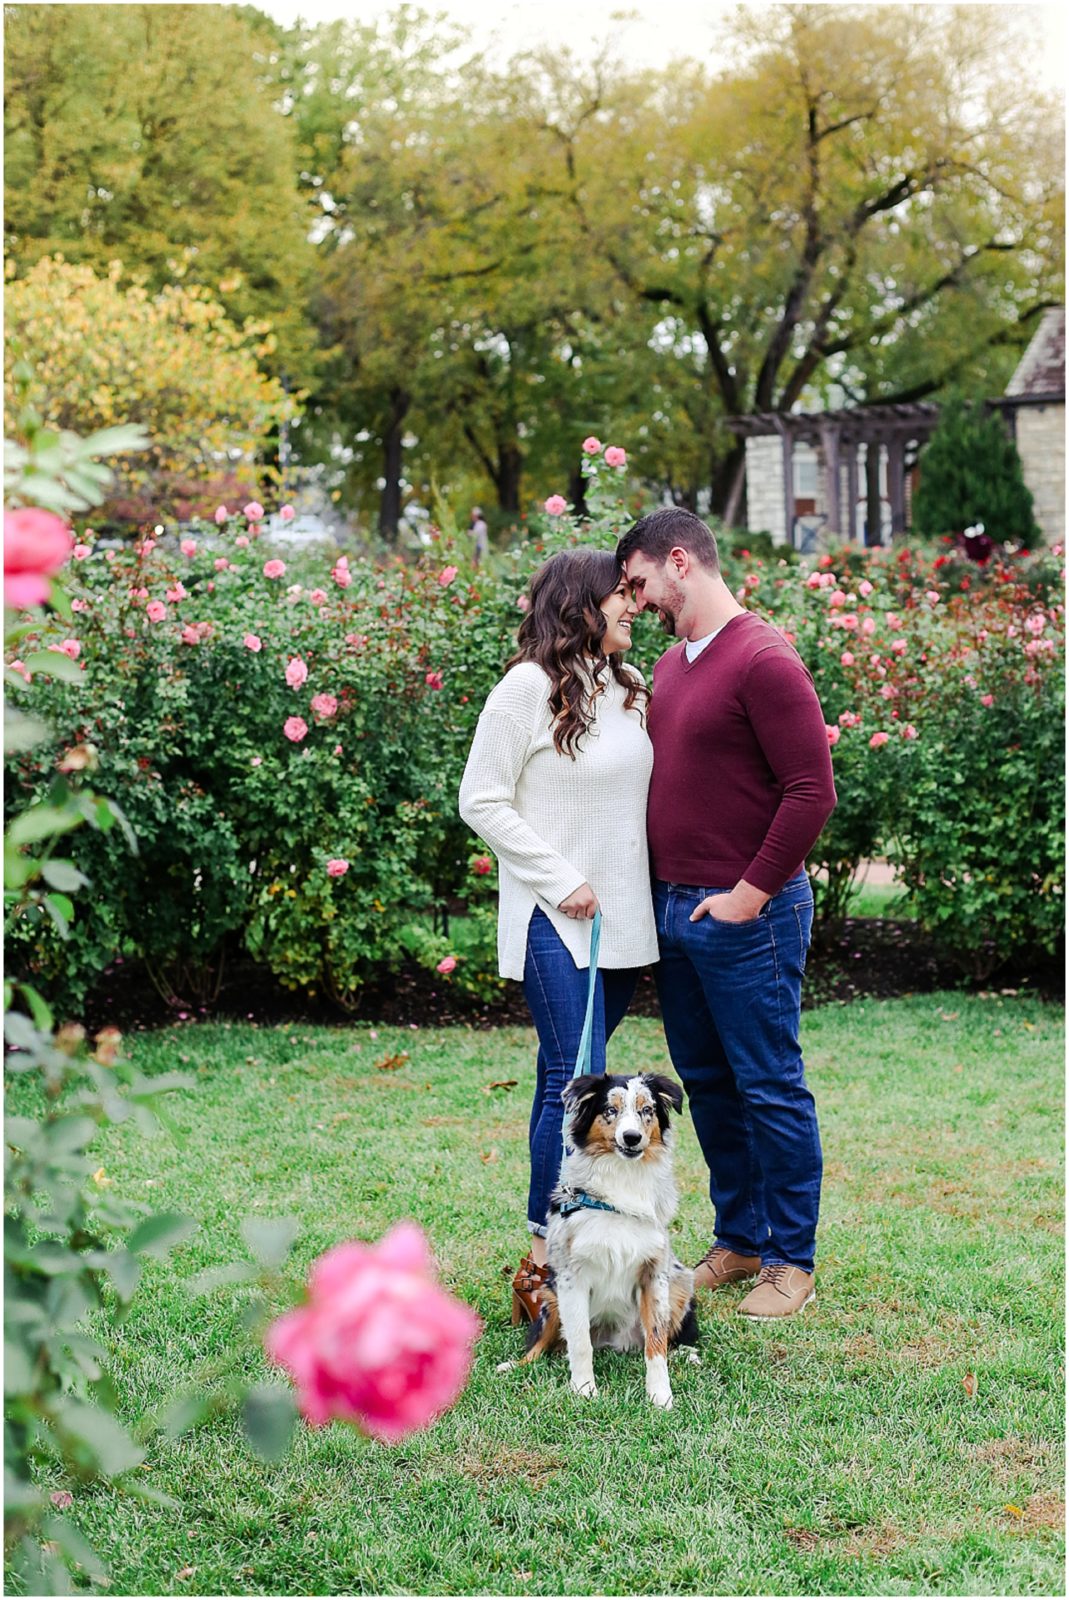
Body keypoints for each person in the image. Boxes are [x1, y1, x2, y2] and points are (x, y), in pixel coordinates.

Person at [616, 508, 836, 1321]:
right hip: (675, 912)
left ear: (680, 561)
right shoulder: (672, 667)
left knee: (769, 1085)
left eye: (639, 583)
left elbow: (812, 790)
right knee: (707, 1086)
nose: (635, 603)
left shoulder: (762, 657)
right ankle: (739, 1241)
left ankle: (790, 1260)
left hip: (750, 914)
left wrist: (749, 894)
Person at [458, 549, 659, 1322]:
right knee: (571, 1081)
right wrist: (558, 876)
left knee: (577, 1076)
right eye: (620, 595)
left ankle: (585, 1247)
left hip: (623, 923)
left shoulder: (628, 687)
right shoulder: (526, 689)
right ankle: (542, 1262)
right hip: (556, 916)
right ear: (580, 603)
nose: (633, 606)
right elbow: (480, 797)